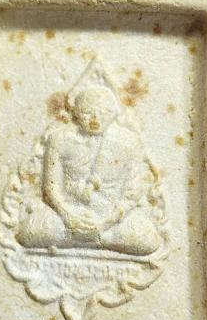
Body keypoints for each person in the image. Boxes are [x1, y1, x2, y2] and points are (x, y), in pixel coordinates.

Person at [16, 87, 161, 256]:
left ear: (113, 114)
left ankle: (88, 239)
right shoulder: (59, 139)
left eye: (103, 113)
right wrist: (69, 217)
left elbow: (132, 194)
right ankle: (97, 241)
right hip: (66, 215)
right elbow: (50, 189)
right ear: (76, 113)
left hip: (110, 218)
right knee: (30, 231)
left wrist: (104, 224)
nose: (95, 119)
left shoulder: (129, 142)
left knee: (146, 238)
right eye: (87, 112)